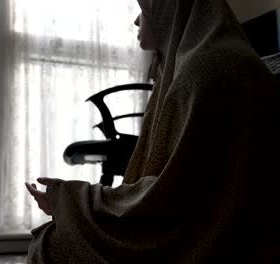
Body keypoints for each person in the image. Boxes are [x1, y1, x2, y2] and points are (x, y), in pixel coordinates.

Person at [25, 0, 280, 263]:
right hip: (197, 225)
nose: (137, 21)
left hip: (202, 238)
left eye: (144, 11)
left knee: (51, 245)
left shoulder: (207, 70)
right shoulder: (195, 64)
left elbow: (173, 198)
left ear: (168, 11)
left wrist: (71, 201)